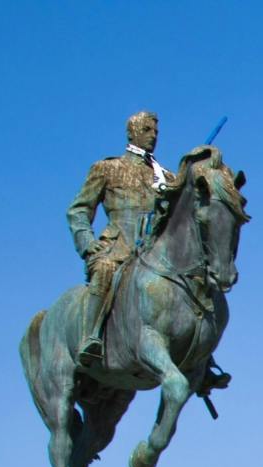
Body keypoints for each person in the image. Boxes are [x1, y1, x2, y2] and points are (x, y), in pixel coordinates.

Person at [66, 111, 170, 368]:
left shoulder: (165, 177)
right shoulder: (108, 169)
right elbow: (78, 210)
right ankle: (91, 337)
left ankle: (202, 361)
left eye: (155, 131)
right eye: (147, 130)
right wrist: (88, 244)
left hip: (153, 253)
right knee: (104, 270)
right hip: (118, 248)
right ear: (131, 133)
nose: (153, 136)